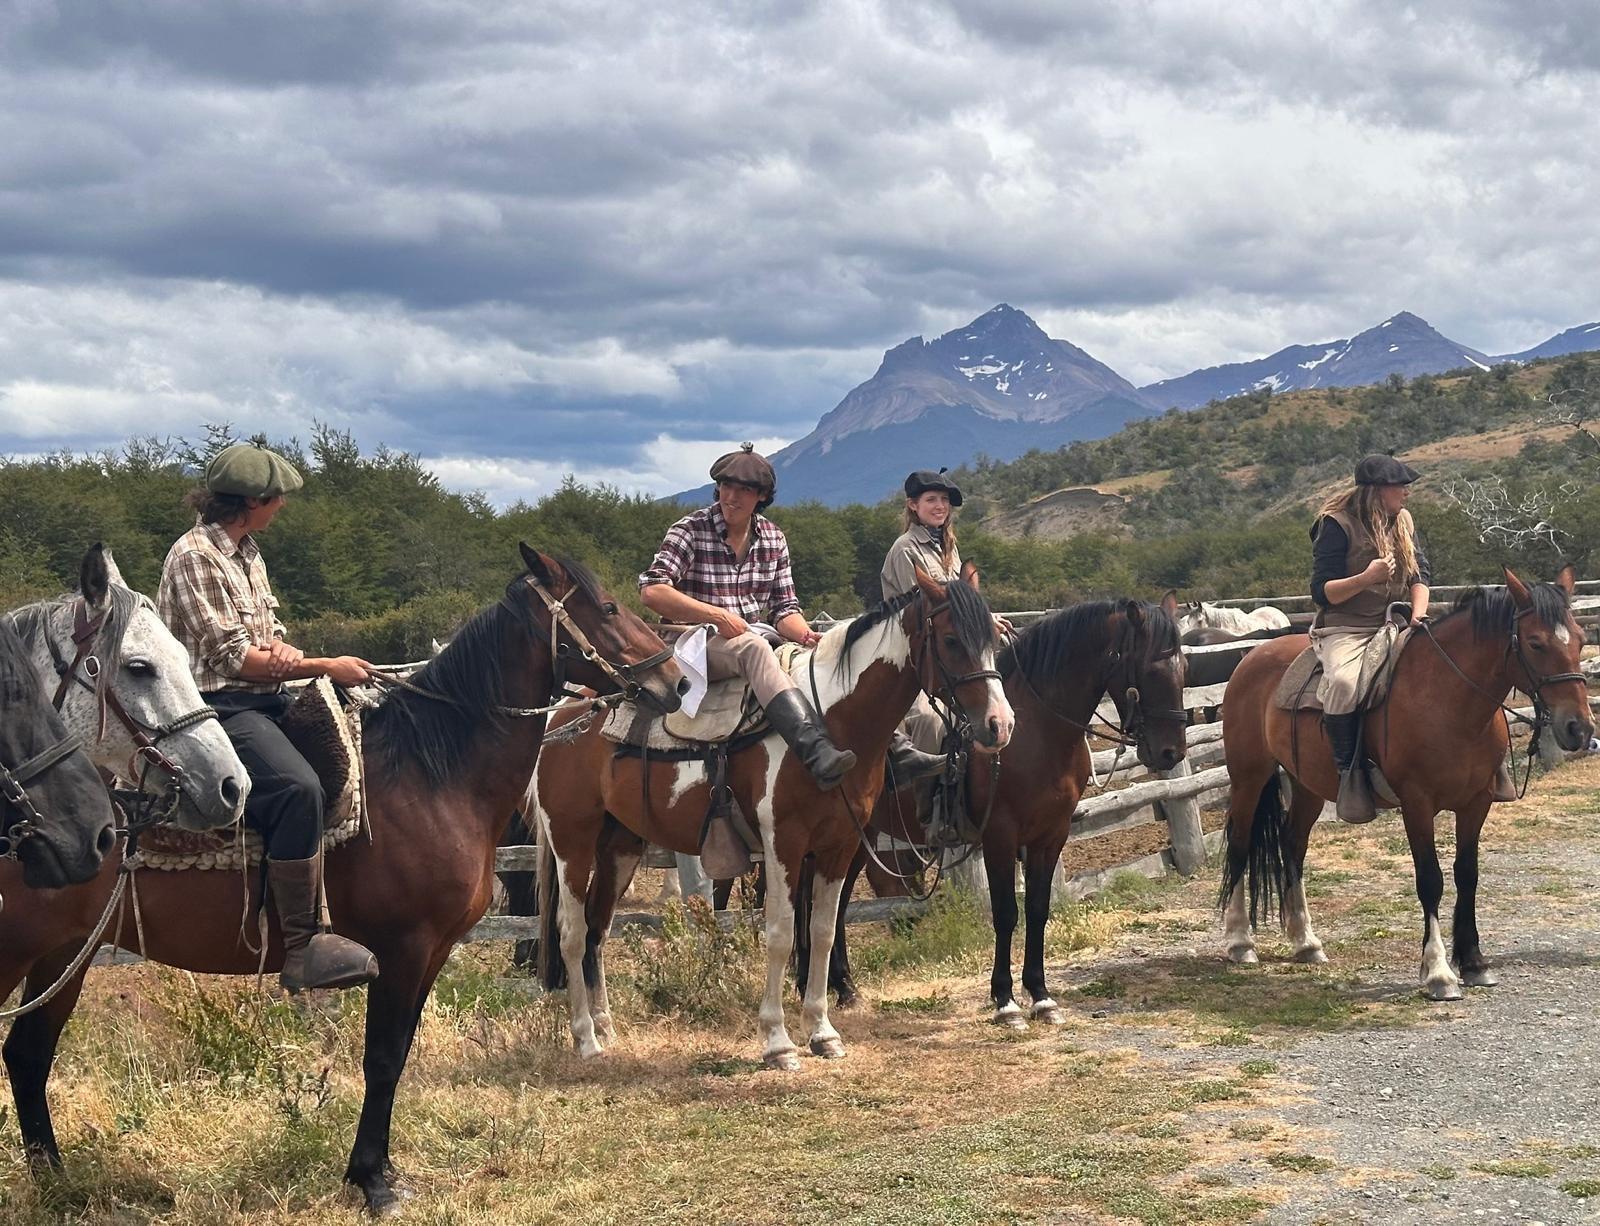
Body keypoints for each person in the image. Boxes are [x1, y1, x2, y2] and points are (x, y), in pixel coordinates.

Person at [156, 442, 379, 993]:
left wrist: (285, 654)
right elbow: (235, 659)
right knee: (297, 788)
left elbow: (263, 643)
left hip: (260, 694)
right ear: (253, 500)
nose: (282, 506)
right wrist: (320, 663)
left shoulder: (247, 552)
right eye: (278, 498)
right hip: (213, 708)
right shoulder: (194, 557)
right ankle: (302, 948)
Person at [640, 443, 858, 808]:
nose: (731, 496)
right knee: (754, 648)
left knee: (814, 657)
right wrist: (714, 615)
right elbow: (652, 590)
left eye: (743, 490)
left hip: (750, 637)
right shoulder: (690, 529)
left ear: (762, 497)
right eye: (726, 486)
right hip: (691, 643)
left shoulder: (773, 537)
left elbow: (784, 608)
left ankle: (891, 749)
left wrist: (807, 636)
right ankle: (815, 751)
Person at [1309, 454, 1515, 822]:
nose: (1406, 492)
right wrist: (1366, 578)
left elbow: (1420, 572)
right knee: (1341, 683)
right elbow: (1322, 592)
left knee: (1455, 668)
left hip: (1399, 620)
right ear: (1376, 490)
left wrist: (1419, 610)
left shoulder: (1402, 520)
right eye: (1399, 486)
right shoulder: (1335, 525)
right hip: (1347, 627)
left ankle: (1489, 762)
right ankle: (1350, 773)